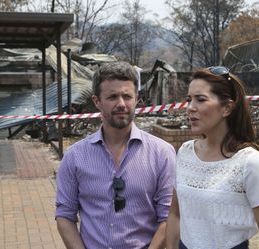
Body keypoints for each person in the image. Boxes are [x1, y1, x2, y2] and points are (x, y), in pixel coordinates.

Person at [55, 61, 176, 249]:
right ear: (97, 102)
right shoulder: (75, 156)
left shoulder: (162, 153)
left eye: (127, 96)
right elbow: (64, 215)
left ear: (137, 99)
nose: (121, 104)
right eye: (112, 97)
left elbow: (168, 217)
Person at [166, 66, 259, 249]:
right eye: (189, 99)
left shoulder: (250, 162)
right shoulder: (185, 152)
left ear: (227, 107)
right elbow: (175, 214)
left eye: (201, 100)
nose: (190, 108)